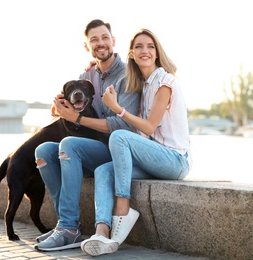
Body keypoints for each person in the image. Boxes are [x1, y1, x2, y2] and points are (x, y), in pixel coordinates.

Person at [80, 28, 192, 256]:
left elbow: (149, 126)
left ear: (157, 52)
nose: (145, 51)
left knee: (119, 136)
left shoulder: (164, 81)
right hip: (154, 157)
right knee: (103, 171)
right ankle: (101, 232)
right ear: (131, 53)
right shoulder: (143, 83)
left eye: (150, 47)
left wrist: (117, 109)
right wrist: (91, 65)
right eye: (139, 47)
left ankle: (123, 206)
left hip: (175, 160)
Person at [33, 19, 140, 251]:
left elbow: (124, 125)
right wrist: (62, 108)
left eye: (104, 38)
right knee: (43, 151)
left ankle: (70, 228)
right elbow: (75, 103)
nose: (100, 43)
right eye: (94, 39)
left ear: (113, 41)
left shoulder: (128, 75)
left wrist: (77, 119)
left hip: (116, 151)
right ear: (87, 46)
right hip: (90, 149)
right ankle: (66, 224)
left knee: (69, 145)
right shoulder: (87, 74)